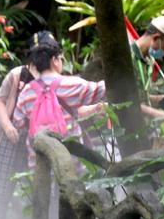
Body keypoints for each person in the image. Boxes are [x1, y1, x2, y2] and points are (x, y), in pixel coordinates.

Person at [0, 30, 54, 219]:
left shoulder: (55, 75)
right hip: (14, 138)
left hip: (42, 141)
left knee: (40, 189)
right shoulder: (17, 74)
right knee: (2, 186)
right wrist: (7, 126)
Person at [13, 38, 107, 168]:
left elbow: (18, 122)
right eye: (61, 58)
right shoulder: (72, 84)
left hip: (40, 164)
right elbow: (102, 89)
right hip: (70, 162)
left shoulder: (26, 93)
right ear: (54, 60)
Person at [130, 16, 164, 118]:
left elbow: (139, 98)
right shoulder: (127, 59)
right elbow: (122, 100)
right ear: (156, 38)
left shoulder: (149, 61)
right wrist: (155, 113)